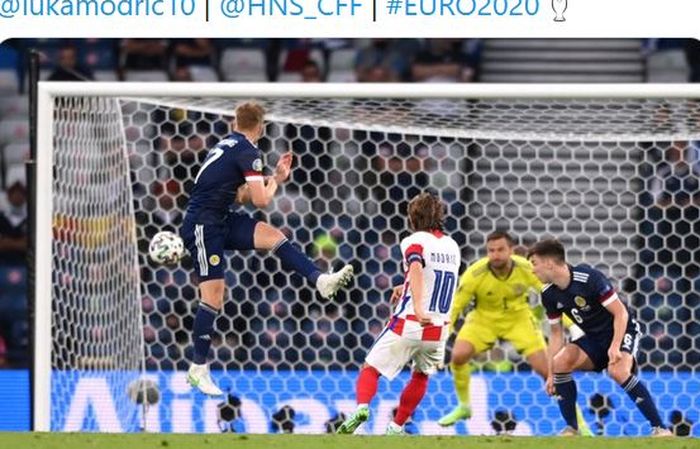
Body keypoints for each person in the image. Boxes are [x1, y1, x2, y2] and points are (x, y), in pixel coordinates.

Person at [179, 101, 354, 395]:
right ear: (261, 126)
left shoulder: (226, 145)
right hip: (203, 226)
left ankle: (321, 281)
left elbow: (241, 195)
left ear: (236, 122)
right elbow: (260, 201)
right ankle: (198, 368)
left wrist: (273, 179)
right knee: (214, 296)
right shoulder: (249, 150)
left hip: (221, 219)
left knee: (273, 236)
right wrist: (278, 181)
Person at [438, 232, 589, 434]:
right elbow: (456, 306)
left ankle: (579, 425)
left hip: (518, 319)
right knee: (458, 356)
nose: (495, 255)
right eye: (491, 250)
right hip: (483, 319)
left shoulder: (526, 268)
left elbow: (553, 294)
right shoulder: (475, 274)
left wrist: (572, 325)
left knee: (550, 371)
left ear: (511, 250)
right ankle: (464, 406)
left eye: (500, 250)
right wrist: (442, 336)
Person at [336, 192, 460, 435]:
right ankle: (396, 426)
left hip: (411, 322)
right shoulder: (452, 245)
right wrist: (404, 287)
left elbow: (416, 266)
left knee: (370, 369)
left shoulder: (413, 241)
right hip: (439, 329)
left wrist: (419, 307)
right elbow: (436, 277)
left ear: (413, 218)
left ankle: (362, 407)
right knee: (421, 375)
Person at [527, 239, 672, 437]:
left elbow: (621, 313)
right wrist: (551, 373)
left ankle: (660, 428)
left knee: (617, 371)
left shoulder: (589, 278)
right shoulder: (549, 294)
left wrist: (615, 346)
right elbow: (556, 334)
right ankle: (572, 429)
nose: (532, 271)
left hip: (622, 330)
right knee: (560, 362)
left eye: (534, 264)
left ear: (549, 263)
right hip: (594, 338)